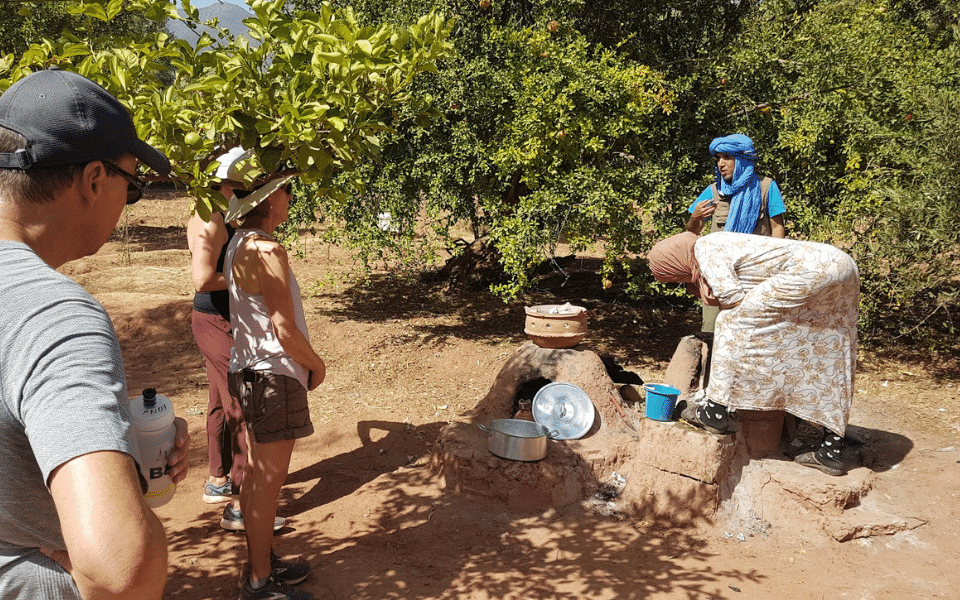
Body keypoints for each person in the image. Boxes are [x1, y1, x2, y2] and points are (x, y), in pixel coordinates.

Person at [0, 67, 190, 599]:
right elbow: (119, 572)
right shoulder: (56, 316)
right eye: (131, 188)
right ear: (92, 181)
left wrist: (105, 438)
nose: (127, 204)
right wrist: (128, 483)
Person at [647, 231, 860, 476]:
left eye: (676, 277)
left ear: (676, 261)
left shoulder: (704, 248)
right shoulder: (719, 243)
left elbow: (732, 297)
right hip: (841, 265)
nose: (682, 282)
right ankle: (831, 450)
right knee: (825, 347)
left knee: (730, 323)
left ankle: (714, 411)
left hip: (812, 270)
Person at [223, 173, 326, 600]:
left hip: (249, 370)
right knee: (268, 480)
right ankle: (260, 581)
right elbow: (284, 328)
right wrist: (316, 366)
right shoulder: (266, 249)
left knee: (257, 477)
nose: (290, 199)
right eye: (287, 190)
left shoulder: (238, 244)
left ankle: (260, 563)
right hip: (273, 376)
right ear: (270, 200)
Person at [686, 133, 786, 238]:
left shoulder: (766, 186)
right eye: (718, 158)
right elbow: (692, 232)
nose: (721, 164)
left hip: (755, 253)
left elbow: (777, 228)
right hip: (721, 253)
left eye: (726, 157)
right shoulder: (713, 191)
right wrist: (694, 217)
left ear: (741, 160)